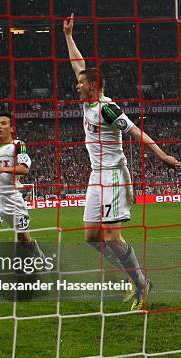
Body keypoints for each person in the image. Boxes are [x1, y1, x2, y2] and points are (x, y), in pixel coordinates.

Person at [63, 14, 180, 310]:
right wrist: (68, 36)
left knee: (112, 235)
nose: (77, 86)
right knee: (92, 236)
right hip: (95, 176)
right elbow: (79, 65)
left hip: (114, 175)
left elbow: (136, 131)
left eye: (81, 84)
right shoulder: (88, 102)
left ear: (94, 86)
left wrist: (162, 155)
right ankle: (136, 278)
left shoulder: (108, 110)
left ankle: (140, 281)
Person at [0, 112, 45, 297]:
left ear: (11, 128)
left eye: (3, 123)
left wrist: (1, 169)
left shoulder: (18, 145)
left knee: (24, 239)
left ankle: (37, 254)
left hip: (12, 199)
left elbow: (24, 169)